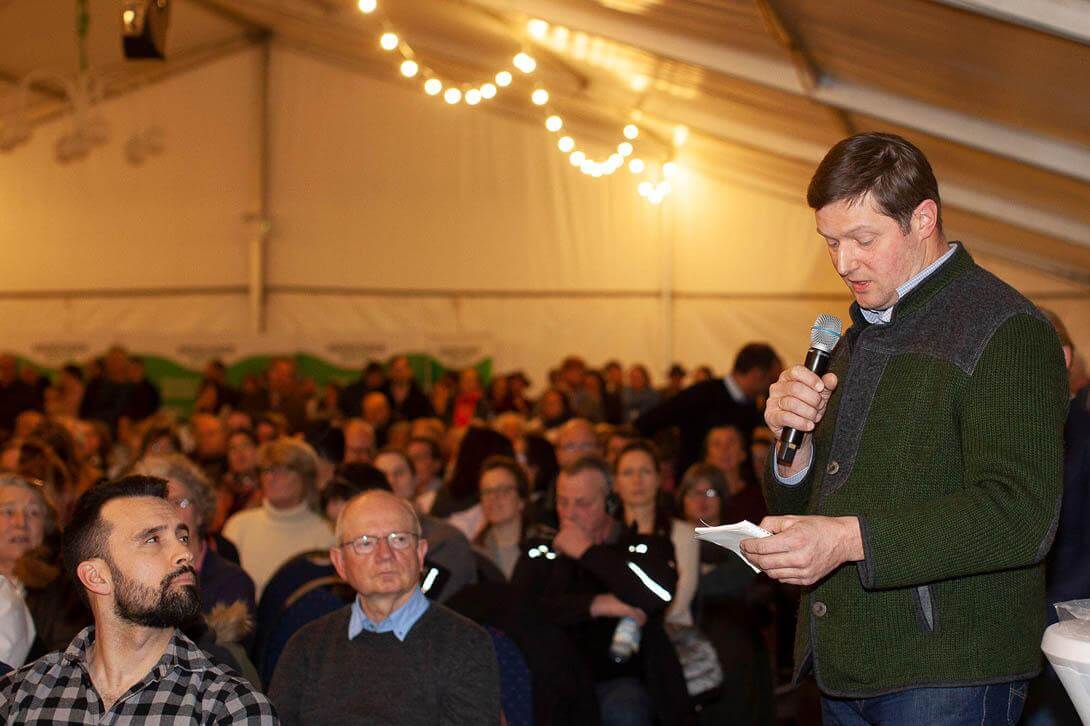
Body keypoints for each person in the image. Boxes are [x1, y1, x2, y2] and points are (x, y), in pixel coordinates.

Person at [741, 132, 1068, 724]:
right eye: (831, 242)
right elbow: (809, 497)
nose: (844, 263)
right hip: (846, 665)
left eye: (864, 239)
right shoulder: (853, 338)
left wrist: (846, 539)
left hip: (950, 674)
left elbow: (1020, 515)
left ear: (923, 218)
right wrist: (794, 448)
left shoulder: (1006, 330)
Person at [0, 476, 277, 723]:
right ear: (96, 576)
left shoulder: (229, 708)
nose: (184, 553)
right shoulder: (22, 696)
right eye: (152, 540)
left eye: (182, 537)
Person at [269, 489, 500, 725]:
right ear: (340, 563)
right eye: (366, 543)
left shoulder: (465, 643)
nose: (385, 555)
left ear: (420, 554)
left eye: (398, 539)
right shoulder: (307, 646)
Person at [512, 456, 690, 725]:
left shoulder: (641, 546)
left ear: (610, 502)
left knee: (623, 710)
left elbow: (658, 595)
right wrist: (597, 604)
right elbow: (521, 612)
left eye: (582, 503)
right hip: (555, 680)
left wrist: (587, 552)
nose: (569, 512)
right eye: (562, 501)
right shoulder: (542, 550)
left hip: (620, 679)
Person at [636, 344, 781, 476]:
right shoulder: (701, 394)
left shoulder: (750, 404)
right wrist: (663, 463)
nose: (774, 385)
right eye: (772, 378)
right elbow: (647, 422)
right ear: (757, 374)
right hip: (696, 488)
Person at [222, 438, 334, 597]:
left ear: (304, 477)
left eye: (282, 469)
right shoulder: (238, 526)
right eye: (266, 470)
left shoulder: (326, 532)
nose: (271, 477)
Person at [373, 448, 477, 601]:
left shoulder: (446, 539)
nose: (391, 481)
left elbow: (429, 601)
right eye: (382, 476)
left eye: (399, 473)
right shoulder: (364, 540)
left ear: (415, 480)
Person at [613, 441, 699, 626]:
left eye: (645, 471)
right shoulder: (604, 534)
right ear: (615, 483)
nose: (637, 480)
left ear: (659, 479)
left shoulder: (684, 534)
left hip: (670, 632)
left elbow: (679, 603)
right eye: (628, 472)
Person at [474, 456, 531, 581]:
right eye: (487, 491)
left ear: (521, 499)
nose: (493, 498)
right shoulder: (474, 553)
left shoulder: (540, 547)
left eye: (503, 490)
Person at [704, 425, 767, 525]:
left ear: (743, 453)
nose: (724, 449)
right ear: (707, 456)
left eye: (731, 442)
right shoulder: (700, 496)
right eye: (717, 444)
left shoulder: (760, 498)